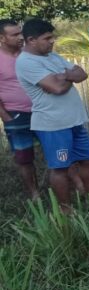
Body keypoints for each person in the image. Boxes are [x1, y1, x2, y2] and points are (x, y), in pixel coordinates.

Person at [16, 18, 89, 210]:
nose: (53, 41)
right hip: (53, 124)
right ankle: (66, 210)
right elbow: (57, 88)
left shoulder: (51, 57)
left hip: (75, 120)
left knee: (88, 160)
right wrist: (68, 76)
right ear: (31, 40)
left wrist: (65, 76)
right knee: (60, 168)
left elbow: (82, 73)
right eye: (48, 38)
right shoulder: (25, 62)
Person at [0, 19, 39, 199]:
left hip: (41, 111)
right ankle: (34, 193)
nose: (20, 37)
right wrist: (5, 116)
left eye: (20, 33)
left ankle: (74, 186)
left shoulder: (29, 53)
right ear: (2, 38)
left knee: (57, 148)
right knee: (24, 158)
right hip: (16, 114)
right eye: (14, 34)